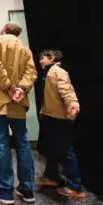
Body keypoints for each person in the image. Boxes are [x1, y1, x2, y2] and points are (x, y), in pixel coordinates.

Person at [0, 21, 37, 204]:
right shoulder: (25, 50)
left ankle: (4, 190)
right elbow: (32, 73)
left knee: (2, 143)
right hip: (18, 103)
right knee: (22, 143)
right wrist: (20, 89)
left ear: (4, 29)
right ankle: (27, 190)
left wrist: (9, 88)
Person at [37, 50, 86, 198]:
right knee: (52, 149)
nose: (40, 61)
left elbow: (66, 89)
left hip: (59, 118)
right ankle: (51, 177)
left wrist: (73, 103)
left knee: (65, 152)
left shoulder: (58, 72)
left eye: (42, 58)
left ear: (52, 58)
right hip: (51, 116)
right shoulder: (50, 72)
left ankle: (75, 188)